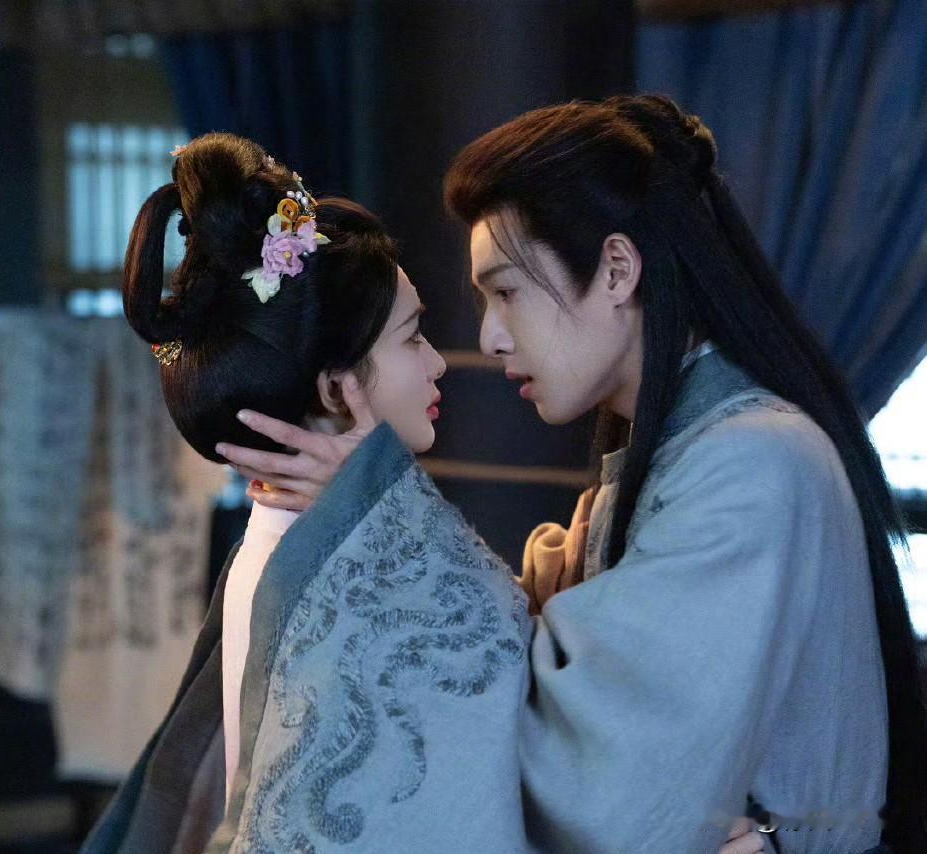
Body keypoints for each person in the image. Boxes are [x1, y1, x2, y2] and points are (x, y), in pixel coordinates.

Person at [220, 96, 925, 854]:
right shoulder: (688, 454)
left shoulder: (754, 461)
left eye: (507, 292)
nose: (490, 336)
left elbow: (604, 772)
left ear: (617, 270)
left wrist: (386, 519)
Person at [80, 132, 763, 854]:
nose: (441, 362)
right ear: (337, 391)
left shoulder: (324, 547)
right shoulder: (332, 576)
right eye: (411, 339)